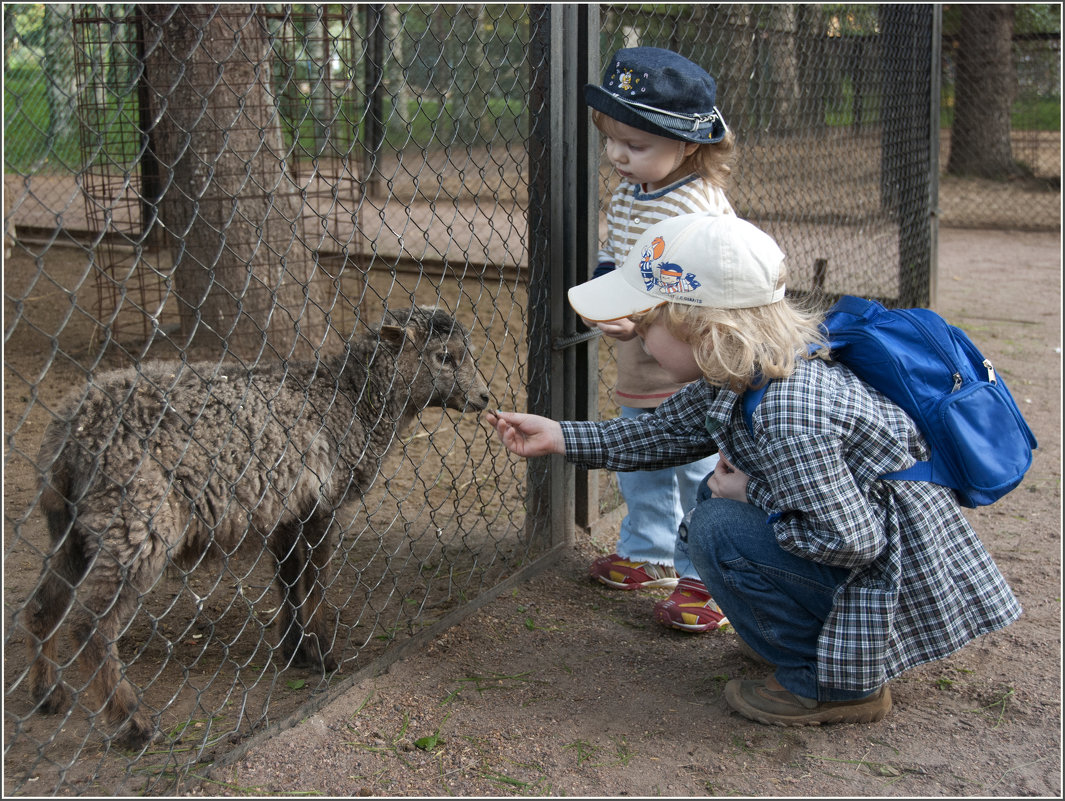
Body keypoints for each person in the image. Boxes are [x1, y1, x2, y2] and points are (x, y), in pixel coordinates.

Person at [484, 213, 1021, 726]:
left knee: (719, 524)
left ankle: (837, 685)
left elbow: (853, 540)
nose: (638, 340)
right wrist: (558, 435)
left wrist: (751, 494)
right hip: (879, 560)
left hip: (891, 581)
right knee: (717, 507)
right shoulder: (751, 370)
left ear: (703, 328)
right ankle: (802, 632)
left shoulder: (787, 412)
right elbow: (661, 433)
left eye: (647, 326)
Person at [580, 46, 735, 634]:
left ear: (688, 146)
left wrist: (643, 317)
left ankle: (703, 575)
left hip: (686, 357)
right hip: (638, 353)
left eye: (636, 145)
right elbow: (617, 257)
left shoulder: (697, 206)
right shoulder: (631, 192)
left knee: (696, 465)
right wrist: (607, 297)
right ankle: (646, 549)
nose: (618, 155)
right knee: (638, 453)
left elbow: (710, 287)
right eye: (612, 140)